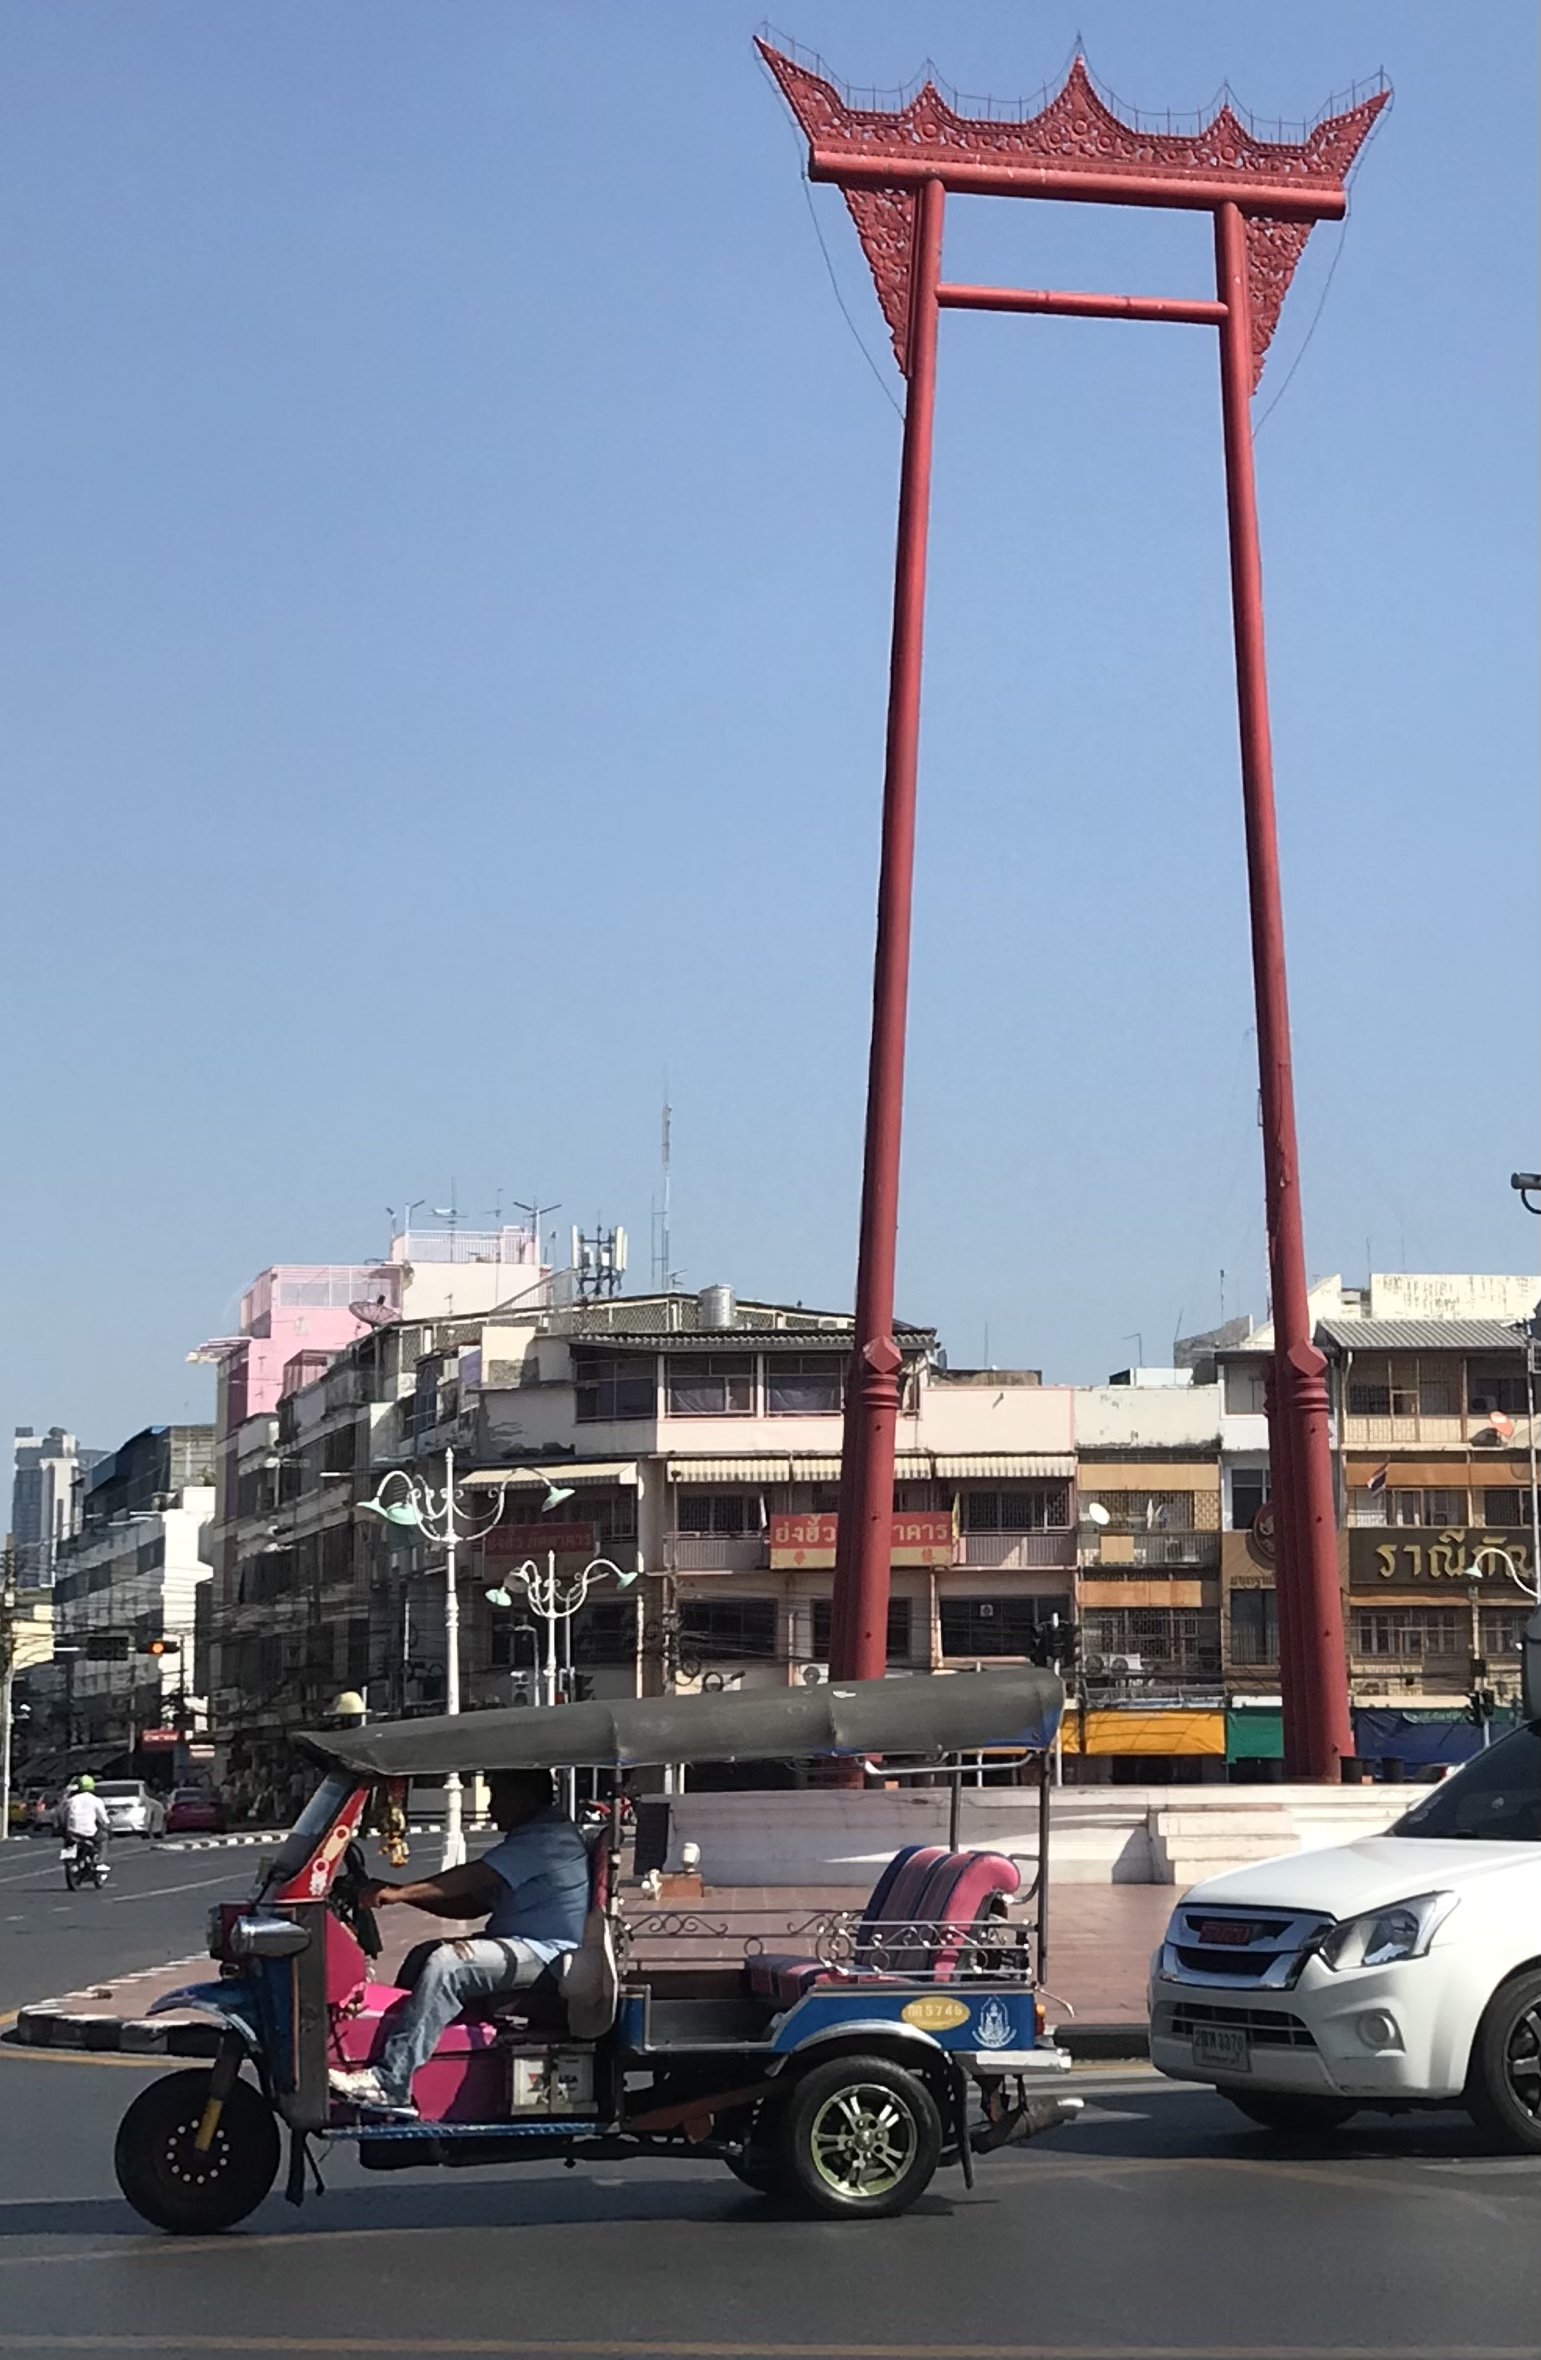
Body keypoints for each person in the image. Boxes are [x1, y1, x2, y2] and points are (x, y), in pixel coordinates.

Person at [328, 1767, 590, 2116]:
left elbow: (473, 1876)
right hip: (525, 1946)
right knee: (424, 1955)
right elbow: (470, 1903)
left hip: (550, 1957)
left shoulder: (548, 1839)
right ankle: (414, 2064)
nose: (492, 1806)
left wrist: (398, 1892)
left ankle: (390, 2082)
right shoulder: (528, 1840)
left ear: (523, 1796)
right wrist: (400, 1896)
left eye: (497, 1796)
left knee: (448, 1965)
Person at [61, 1776, 112, 1868]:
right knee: (103, 1839)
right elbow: (104, 1819)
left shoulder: (71, 1800)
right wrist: (107, 1828)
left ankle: (69, 1861)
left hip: (72, 1832)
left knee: (68, 1844)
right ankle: (99, 1861)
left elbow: (64, 1816)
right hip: (89, 1833)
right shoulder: (96, 1800)